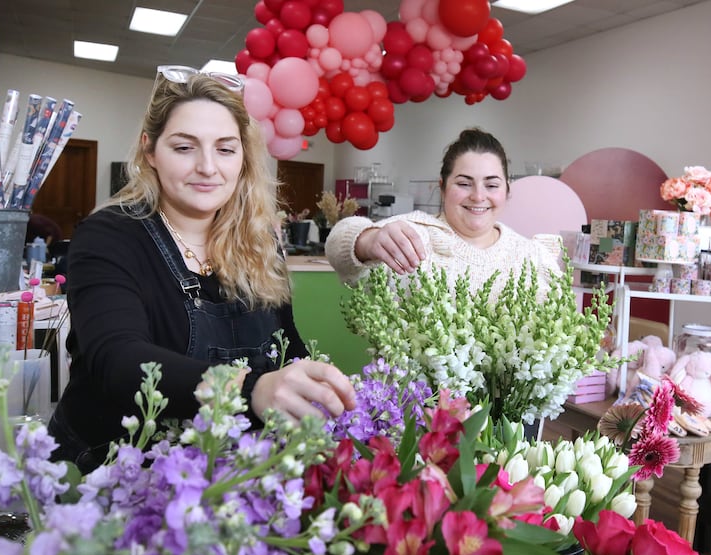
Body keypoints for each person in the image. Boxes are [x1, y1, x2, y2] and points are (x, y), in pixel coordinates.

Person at [48, 67, 355, 473]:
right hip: (111, 474)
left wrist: (310, 389)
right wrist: (251, 389)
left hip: (223, 473)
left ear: (243, 157)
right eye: (184, 147)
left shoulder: (260, 243)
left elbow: (286, 346)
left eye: (225, 149)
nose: (208, 167)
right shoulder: (109, 236)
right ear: (149, 151)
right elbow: (118, 359)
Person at [325, 127, 560, 297]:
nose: (478, 196)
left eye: (491, 185)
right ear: (442, 187)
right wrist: (368, 240)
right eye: (464, 183)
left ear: (507, 189)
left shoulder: (532, 255)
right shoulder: (414, 235)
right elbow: (338, 246)